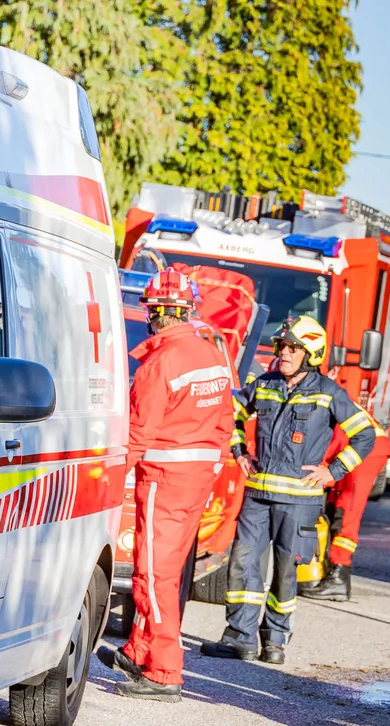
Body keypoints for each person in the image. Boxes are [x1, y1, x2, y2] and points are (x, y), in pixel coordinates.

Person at [201, 316, 375, 665]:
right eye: (283, 346)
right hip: (257, 497)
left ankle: (275, 641)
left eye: (294, 348)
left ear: (311, 353)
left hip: (299, 503)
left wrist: (333, 470)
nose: (285, 352)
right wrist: (239, 451)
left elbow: (365, 435)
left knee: (285, 571)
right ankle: (240, 639)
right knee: (243, 565)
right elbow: (230, 412)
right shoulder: (264, 384)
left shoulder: (329, 393)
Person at [98, 269, 233, 703]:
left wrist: (111, 480)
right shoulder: (212, 354)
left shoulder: (161, 362)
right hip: (193, 481)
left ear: (156, 312)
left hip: (163, 480)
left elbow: (138, 431)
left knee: (154, 575)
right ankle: (139, 650)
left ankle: (163, 671)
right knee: (163, 570)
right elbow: (226, 422)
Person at [300, 408, 390, 601]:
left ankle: (339, 579)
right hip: (359, 446)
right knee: (335, 508)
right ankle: (332, 572)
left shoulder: (314, 402)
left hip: (365, 450)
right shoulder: (322, 394)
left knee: (346, 513)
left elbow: (318, 453)